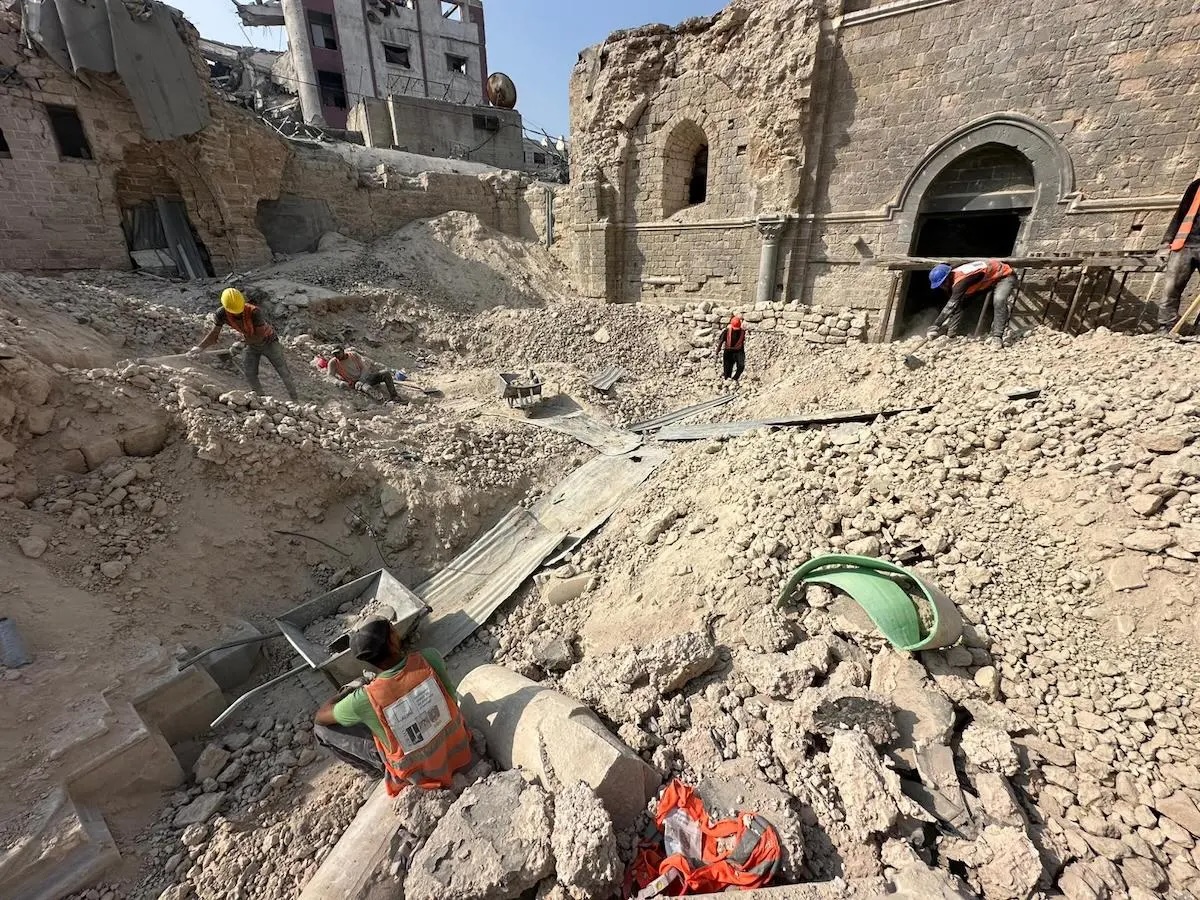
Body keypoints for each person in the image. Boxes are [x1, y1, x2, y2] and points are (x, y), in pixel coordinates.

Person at [313, 619, 472, 794]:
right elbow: (450, 695)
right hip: (460, 750)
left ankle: (377, 771)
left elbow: (320, 717)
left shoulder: (364, 699)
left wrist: (351, 690)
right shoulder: (428, 658)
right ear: (392, 640)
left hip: (420, 778)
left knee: (321, 730)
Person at [190, 288, 299, 401]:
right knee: (250, 373)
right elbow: (214, 334)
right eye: (234, 311)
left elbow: (259, 336)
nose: (238, 312)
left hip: (269, 342)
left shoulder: (254, 312)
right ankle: (261, 399)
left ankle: (295, 400)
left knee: (283, 372)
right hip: (250, 344)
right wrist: (199, 347)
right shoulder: (221, 313)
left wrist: (242, 343)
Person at [926, 259, 1017, 347]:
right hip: (987, 280)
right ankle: (951, 336)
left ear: (947, 278)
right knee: (960, 304)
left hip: (1004, 275)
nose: (942, 287)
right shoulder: (953, 276)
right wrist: (942, 325)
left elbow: (950, 306)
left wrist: (935, 325)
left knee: (999, 300)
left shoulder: (961, 281)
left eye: (942, 284)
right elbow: (955, 305)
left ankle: (997, 337)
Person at [1156, 177, 1200, 333]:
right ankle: (1166, 327)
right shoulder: (1196, 186)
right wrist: (1166, 243)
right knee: (1171, 289)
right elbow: (1180, 215)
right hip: (1184, 243)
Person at [324, 347, 401, 402]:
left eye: (338, 353)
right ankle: (382, 400)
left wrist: (361, 379)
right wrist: (339, 382)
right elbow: (330, 376)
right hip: (354, 383)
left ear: (343, 351)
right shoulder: (333, 362)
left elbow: (364, 368)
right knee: (366, 388)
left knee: (385, 373)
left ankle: (394, 396)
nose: (337, 356)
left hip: (365, 377)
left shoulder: (353, 355)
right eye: (334, 354)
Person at [714, 315, 747, 383]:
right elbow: (721, 342)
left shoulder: (740, 332)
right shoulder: (728, 331)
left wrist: (717, 351)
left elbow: (720, 342)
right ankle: (728, 381)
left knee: (737, 366)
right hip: (732, 352)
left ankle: (733, 380)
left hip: (735, 352)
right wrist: (717, 351)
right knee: (731, 367)